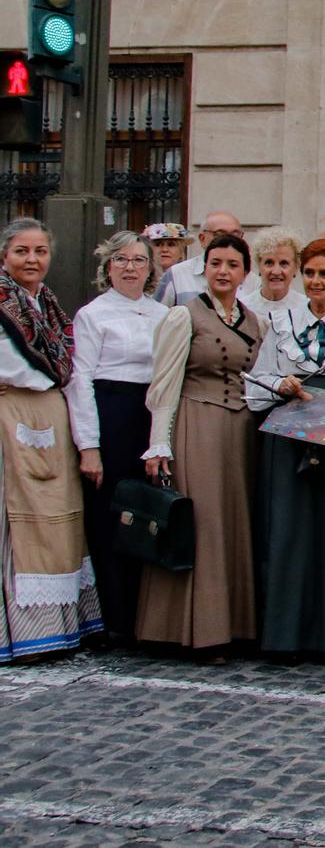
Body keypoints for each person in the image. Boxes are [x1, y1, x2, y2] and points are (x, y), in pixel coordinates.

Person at [246, 237, 325, 656]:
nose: (317, 281)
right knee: (288, 532)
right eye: (311, 273)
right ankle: (286, 634)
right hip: (287, 438)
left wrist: (324, 404)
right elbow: (258, 377)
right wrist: (281, 385)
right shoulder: (281, 320)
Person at [137, 230, 263, 655]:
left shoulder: (252, 320)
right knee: (202, 523)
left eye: (232, 265)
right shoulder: (183, 316)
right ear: (204, 268)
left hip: (240, 433)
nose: (223, 271)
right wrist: (159, 444)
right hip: (196, 423)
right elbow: (164, 385)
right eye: (215, 263)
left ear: (245, 273)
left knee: (233, 524)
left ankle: (233, 626)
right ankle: (187, 629)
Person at [0, 219, 102, 661]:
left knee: (58, 518)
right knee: (18, 524)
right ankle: (19, 632)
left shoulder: (50, 305)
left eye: (40, 251)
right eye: (22, 251)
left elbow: (71, 371)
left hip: (52, 415)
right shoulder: (4, 302)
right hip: (13, 413)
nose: (32, 260)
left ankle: (60, 626)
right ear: (5, 255)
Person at [65, 231, 167, 643]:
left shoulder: (163, 314)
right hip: (111, 416)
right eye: (121, 260)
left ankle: (147, 616)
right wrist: (90, 446)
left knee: (149, 516)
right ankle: (113, 618)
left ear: (150, 269)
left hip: (149, 416)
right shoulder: (93, 314)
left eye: (139, 260)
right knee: (110, 519)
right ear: (108, 268)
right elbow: (80, 379)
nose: (130, 267)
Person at [156, 210, 243, 305]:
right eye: (220, 234)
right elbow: (158, 316)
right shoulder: (177, 274)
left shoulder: (252, 280)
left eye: (235, 235)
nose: (229, 241)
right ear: (202, 239)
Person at [243, 227, 304, 325]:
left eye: (284, 263)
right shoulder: (244, 308)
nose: (276, 271)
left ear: (296, 267)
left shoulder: (307, 307)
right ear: (259, 265)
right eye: (269, 263)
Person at [144, 222, 193, 287]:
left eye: (171, 245)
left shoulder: (190, 282)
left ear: (181, 251)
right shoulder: (141, 281)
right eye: (158, 244)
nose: (164, 249)